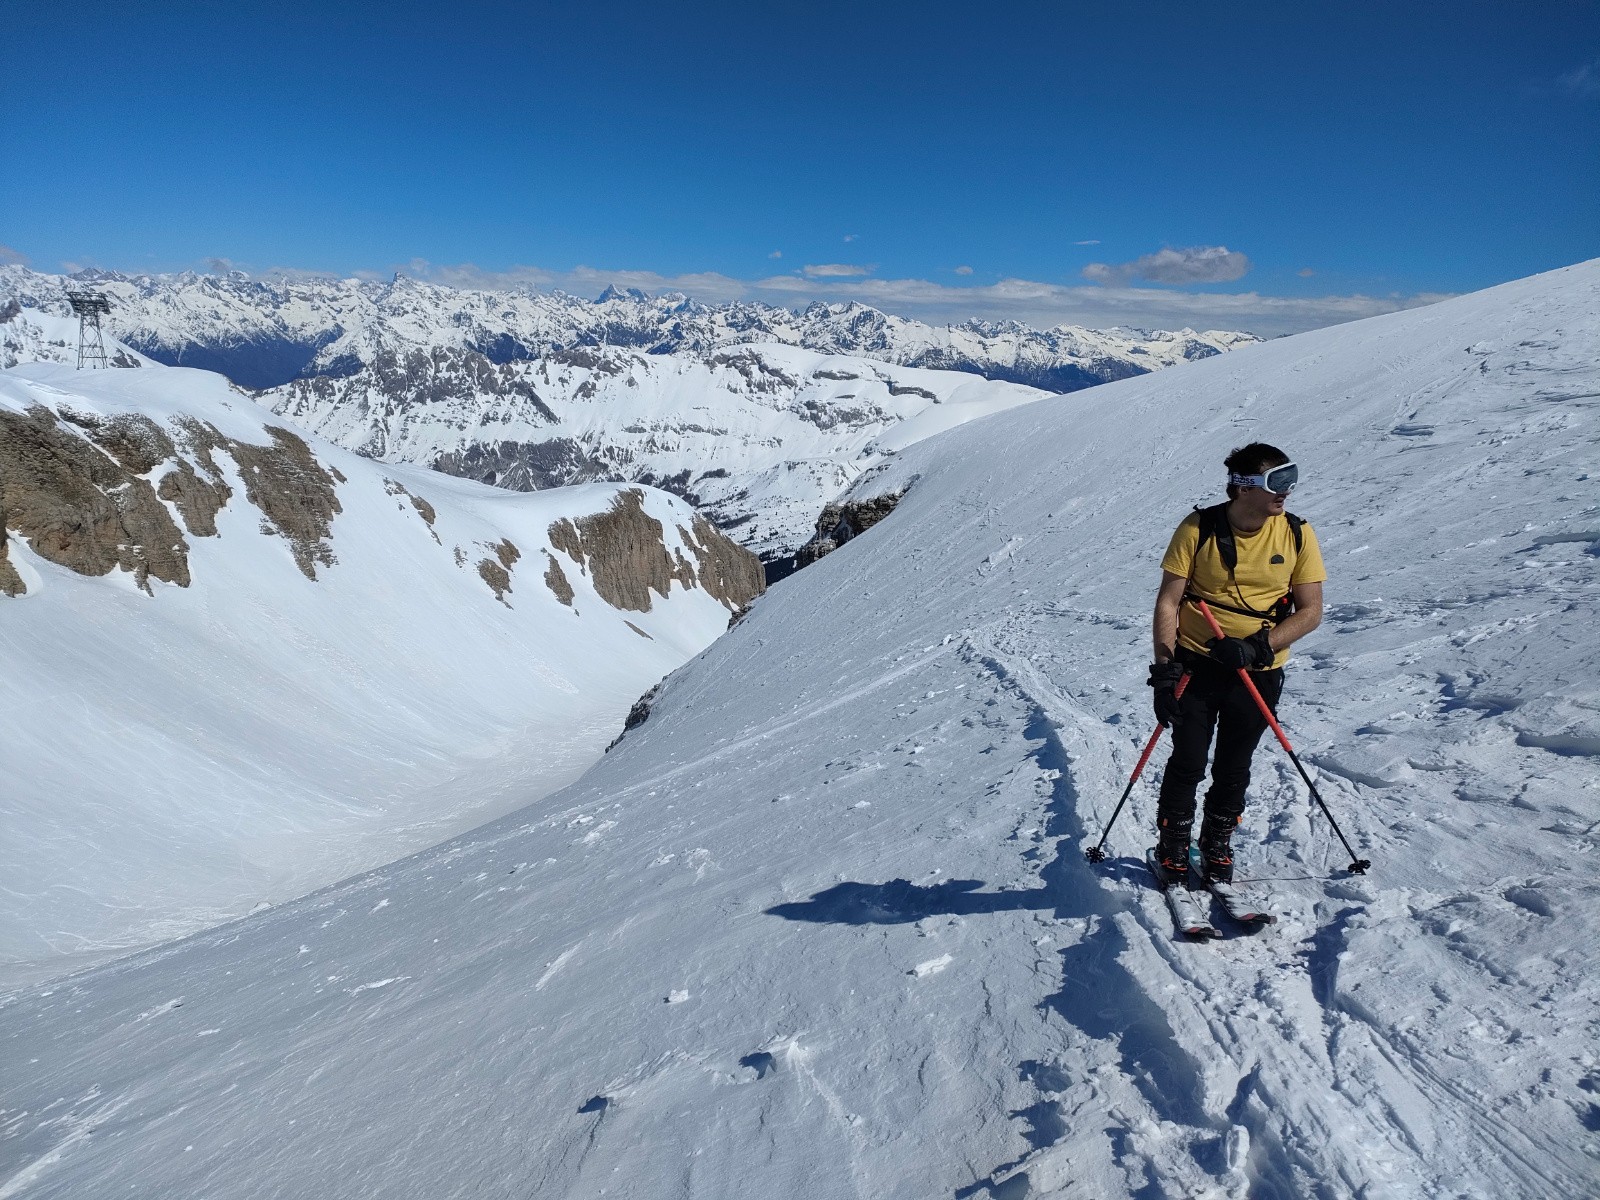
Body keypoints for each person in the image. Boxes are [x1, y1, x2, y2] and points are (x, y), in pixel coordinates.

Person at [1147, 443, 1326, 884]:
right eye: (1277, 481)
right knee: (1188, 759)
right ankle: (1172, 843)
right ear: (1243, 488)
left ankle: (1217, 842)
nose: (1287, 490)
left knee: (1234, 764)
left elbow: (1310, 612)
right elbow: (1169, 602)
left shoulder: (1298, 534)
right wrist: (1165, 672)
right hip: (1196, 663)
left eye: (1291, 477)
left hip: (1258, 672)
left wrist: (1257, 647)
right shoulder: (1198, 528)